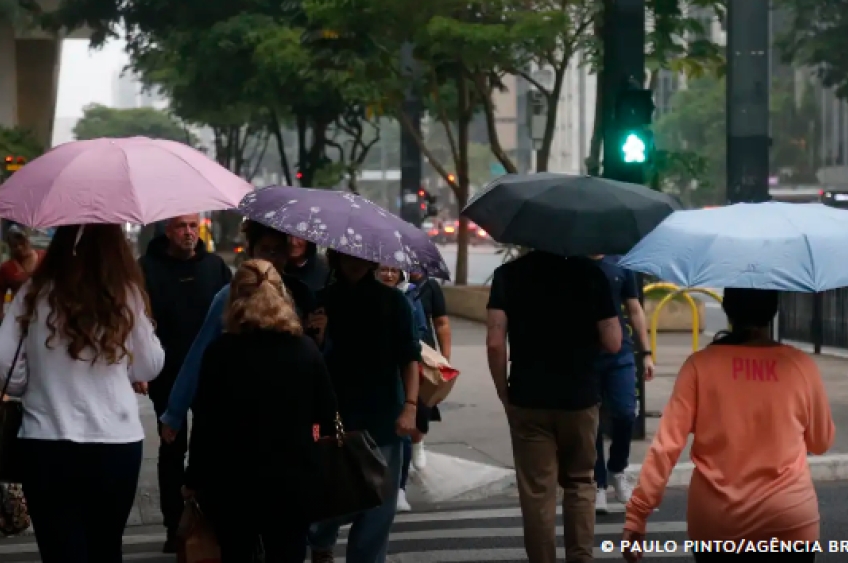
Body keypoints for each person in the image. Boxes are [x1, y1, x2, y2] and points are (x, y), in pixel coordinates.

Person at [622, 288, 834, 563]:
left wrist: (638, 514)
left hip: (718, 524)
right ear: (773, 311)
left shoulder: (699, 366)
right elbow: (820, 442)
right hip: (789, 521)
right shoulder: (801, 365)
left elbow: (666, 447)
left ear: (728, 311)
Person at [0, 224, 164, 563]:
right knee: (106, 546)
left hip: (46, 442)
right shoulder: (125, 294)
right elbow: (149, 365)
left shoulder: (36, 291)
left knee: (60, 551)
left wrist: (33, 382)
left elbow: (4, 365)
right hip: (115, 443)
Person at [184, 259, 336, 562]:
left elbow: (204, 424)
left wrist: (193, 480)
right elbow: (327, 414)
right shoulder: (305, 350)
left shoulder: (221, 353)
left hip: (232, 483)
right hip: (292, 482)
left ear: (235, 298)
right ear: (282, 296)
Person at [486, 251, 621, 563]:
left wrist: (503, 392)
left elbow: (495, 342)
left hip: (528, 397)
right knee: (580, 481)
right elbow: (613, 341)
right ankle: (580, 557)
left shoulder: (508, 274)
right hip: (579, 398)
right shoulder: (591, 274)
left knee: (537, 491)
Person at [308, 250, 420, 563]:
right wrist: (317, 335)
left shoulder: (395, 302)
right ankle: (321, 544)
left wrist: (410, 405)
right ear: (335, 258)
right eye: (346, 255)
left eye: (361, 255)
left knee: (378, 509)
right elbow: (309, 361)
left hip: (383, 414)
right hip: (334, 416)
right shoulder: (321, 301)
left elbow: (409, 357)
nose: (354, 261)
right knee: (330, 500)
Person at [159, 221, 316, 442]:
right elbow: (200, 353)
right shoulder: (230, 297)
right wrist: (175, 412)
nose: (271, 258)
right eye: (265, 250)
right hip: (241, 412)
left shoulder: (300, 294)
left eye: (277, 250)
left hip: (290, 411)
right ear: (251, 250)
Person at [138, 213, 232, 553]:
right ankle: (173, 525)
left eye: (193, 226)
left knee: (209, 449)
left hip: (212, 374)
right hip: (167, 372)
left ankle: (208, 520)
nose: (189, 233)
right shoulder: (146, 267)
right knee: (171, 449)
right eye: (181, 226)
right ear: (168, 230)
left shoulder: (216, 267)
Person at [589, 255, 655, 513]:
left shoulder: (622, 264)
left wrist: (646, 352)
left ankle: (617, 468)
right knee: (591, 420)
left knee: (626, 413)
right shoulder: (576, 263)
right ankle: (598, 484)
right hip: (586, 354)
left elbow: (634, 308)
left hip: (621, 353)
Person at [376, 266, 426, 512]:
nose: (388, 275)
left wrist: (411, 404)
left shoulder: (406, 298)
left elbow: (418, 336)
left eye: (392, 270)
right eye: (382, 270)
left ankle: (399, 488)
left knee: (401, 436)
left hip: (398, 380)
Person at [407, 271, 451, 470]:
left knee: (422, 402)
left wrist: (445, 359)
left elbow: (441, 323)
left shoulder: (429, 286)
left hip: (425, 354)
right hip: (398, 352)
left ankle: (417, 443)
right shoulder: (390, 284)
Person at [0, 227, 45, 320]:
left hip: (43, 312)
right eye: (15, 246)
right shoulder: (7, 268)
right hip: (18, 315)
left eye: (22, 243)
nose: (19, 248)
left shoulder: (44, 258)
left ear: (28, 241)